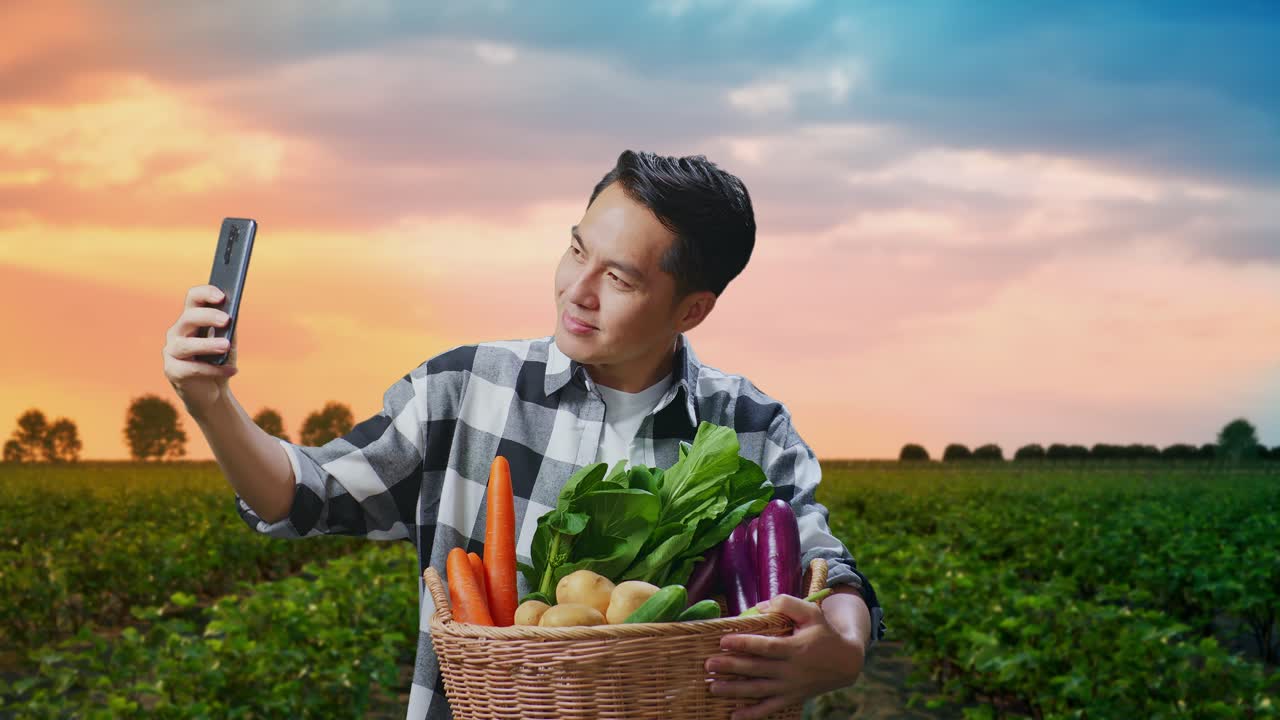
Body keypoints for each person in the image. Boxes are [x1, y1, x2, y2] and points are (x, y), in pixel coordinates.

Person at [163, 150, 886, 720]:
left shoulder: (749, 425)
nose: (578, 290)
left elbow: (826, 565)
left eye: (619, 279)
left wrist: (846, 645)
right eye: (576, 250)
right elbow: (302, 495)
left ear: (691, 310)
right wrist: (210, 402)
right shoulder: (463, 388)